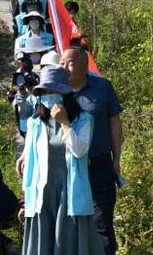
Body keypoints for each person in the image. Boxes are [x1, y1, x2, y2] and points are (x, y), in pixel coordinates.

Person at [18, 65, 104, 255]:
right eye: (45, 91)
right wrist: (25, 198)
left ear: (65, 93)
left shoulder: (83, 120)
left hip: (69, 191)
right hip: (43, 192)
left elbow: (80, 151)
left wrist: (64, 123)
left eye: (54, 90)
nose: (49, 95)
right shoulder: (35, 123)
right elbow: (31, 160)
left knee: (69, 243)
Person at [61, 47, 123, 255]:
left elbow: (114, 122)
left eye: (68, 63)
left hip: (99, 165)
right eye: (61, 63)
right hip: (68, 169)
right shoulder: (57, 91)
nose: (63, 67)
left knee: (102, 222)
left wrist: (117, 158)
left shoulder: (102, 87)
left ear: (83, 65)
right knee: (72, 224)